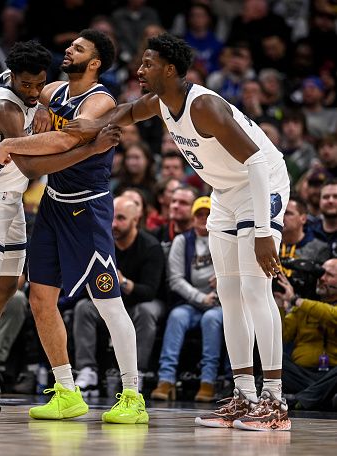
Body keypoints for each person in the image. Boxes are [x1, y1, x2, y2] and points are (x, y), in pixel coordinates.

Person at [65, 33, 292, 431]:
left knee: (256, 290)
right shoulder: (160, 102)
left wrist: (261, 230)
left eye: (148, 64)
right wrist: (95, 123)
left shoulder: (203, 105)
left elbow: (257, 163)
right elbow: (131, 111)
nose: (139, 70)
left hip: (262, 184)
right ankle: (244, 395)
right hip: (225, 191)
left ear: (170, 69)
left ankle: (275, 403)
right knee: (229, 293)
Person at [0, 40, 121, 419]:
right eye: (27, 86)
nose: (34, 91)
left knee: (6, 288)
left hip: (13, 199)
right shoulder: (3, 107)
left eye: (39, 84)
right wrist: (92, 149)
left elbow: (45, 104)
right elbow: (33, 167)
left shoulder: (32, 86)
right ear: (12, 78)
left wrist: (43, 106)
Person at [0, 29, 148, 424]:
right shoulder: (55, 89)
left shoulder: (100, 100)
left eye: (78, 48)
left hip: (89, 209)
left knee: (107, 302)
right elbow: (10, 83)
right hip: (53, 204)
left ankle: (133, 395)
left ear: (94, 63)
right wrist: (36, 106)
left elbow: (65, 141)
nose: (68, 49)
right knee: (41, 299)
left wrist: (12, 144)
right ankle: (66, 391)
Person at [74, 195, 165, 396]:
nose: (114, 224)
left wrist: (122, 282)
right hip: (110, 302)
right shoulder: (101, 242)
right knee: (84, 308)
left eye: (121, 218)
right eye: (111, 217)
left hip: (140, 302)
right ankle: (87, 371)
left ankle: (137, 372)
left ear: (135, 221)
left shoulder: (151, 247)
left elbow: (150, 292)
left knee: (146, 311)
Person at [150, 196, 223, 403]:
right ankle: (166, 379)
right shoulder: (182, 241)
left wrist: (222, 282)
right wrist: (201, 297)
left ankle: (208, 381)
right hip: (190, 303)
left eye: (208, 214)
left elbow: (235, 272)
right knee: (176, 316)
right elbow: (175, 280)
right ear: (192, 218)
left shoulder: (226, 240)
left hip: (218, 303)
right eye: (199, 214)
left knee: (212, 320)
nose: (203, 218)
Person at [274, 260, 337, 411]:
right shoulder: (303, 305)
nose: (322, 278)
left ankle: (303, 398)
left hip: (332, 374)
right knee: (274, 358)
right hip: (302, 374)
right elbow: (283, 335)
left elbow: (332, 314)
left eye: (329, 275)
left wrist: (296, 300)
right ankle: (320, 397)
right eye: (321, 273)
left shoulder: (302, 303)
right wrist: (280, 307)